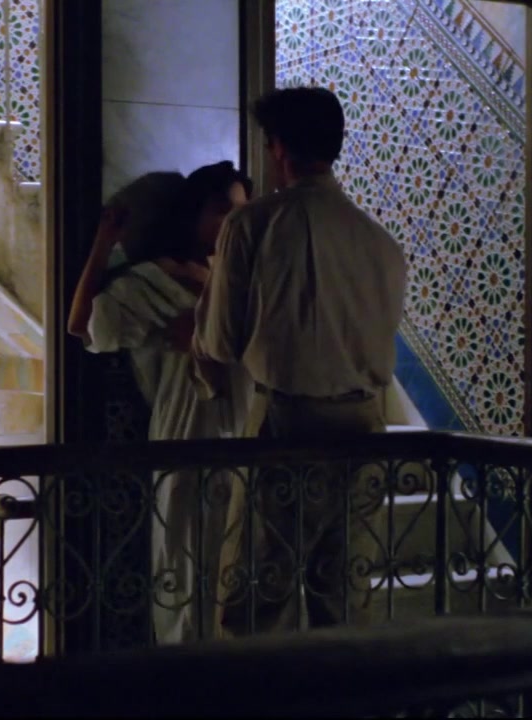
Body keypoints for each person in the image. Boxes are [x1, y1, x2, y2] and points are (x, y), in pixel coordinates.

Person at [192, 87, 407, 634]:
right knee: (344, 606)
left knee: (257, 605)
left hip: (286, 428)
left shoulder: (252, 225)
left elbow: (219, 342)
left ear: (280, 148)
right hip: (365, 432)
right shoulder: (381, 243)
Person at [67, 162, 254, 645]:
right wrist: (103, 245)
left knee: (233, 557)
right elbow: (83, 325)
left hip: (241, 432)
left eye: (239, 213)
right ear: (193, 214)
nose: (230, 224)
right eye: (220, 210)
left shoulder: (239, 285)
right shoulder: (153, 281)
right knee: (184, 552)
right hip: (185, 430)